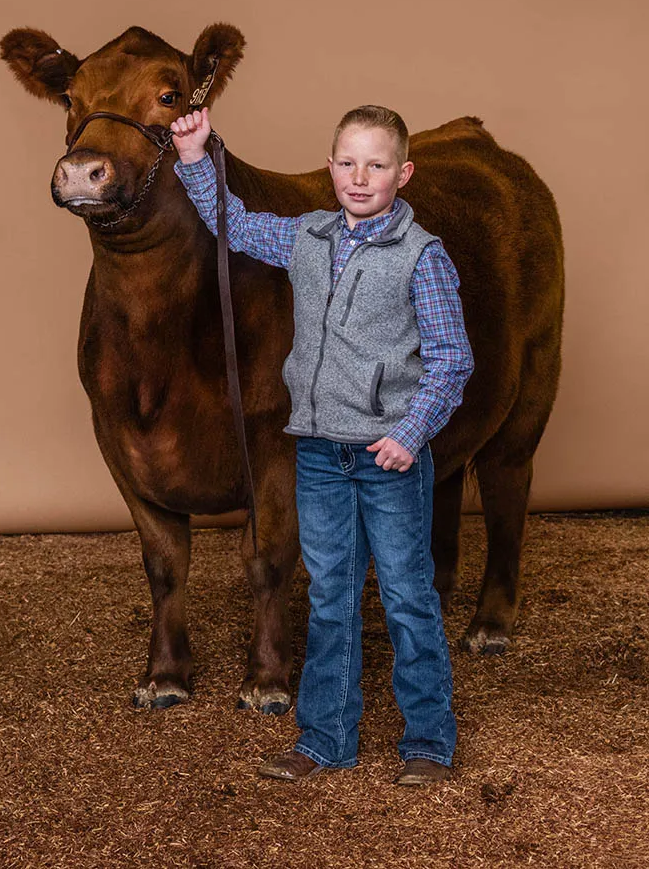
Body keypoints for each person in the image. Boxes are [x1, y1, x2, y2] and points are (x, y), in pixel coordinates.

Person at [170, 105, 474, 786]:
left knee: (406, 597)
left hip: (386, 457)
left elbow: (452, 360)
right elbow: (235, 225)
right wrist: (193, 156)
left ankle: (429, 740)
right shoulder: (307, 236)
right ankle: (326, 738)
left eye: (376, 164)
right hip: (318, 454)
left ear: (403, 172)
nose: (359, 177)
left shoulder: (422, 257)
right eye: (346, 162)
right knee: (331, 597)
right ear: (331, 166)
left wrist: (408, 433)